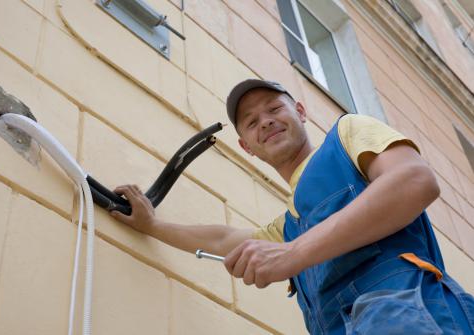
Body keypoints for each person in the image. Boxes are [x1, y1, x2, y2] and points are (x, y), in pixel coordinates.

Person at [110, 79, 474, 334]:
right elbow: (223, 239)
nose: (265, 120)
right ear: (246, 147)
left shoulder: (348, 135)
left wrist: (293, 255)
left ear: (300, 111)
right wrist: (152, 225)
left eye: (273, 108)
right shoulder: (289, 226)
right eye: (251, 122)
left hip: (411, 318)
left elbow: (415, 181)